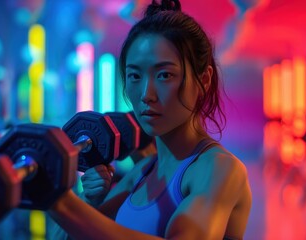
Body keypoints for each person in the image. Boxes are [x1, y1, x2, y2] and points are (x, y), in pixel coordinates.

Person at [48, 0, 252, 239]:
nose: (146, 94)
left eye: (164, 75)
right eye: (135, 75)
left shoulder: (220, 168)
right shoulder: (144, 170)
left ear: (204, 80)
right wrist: (87, 200)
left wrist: (61, 205)